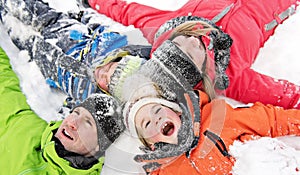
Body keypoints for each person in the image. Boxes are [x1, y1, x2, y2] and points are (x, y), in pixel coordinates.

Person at [87, 0, 300, 109]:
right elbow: (288, 97)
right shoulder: (230, 77)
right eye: (194, 51)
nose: (192, 39)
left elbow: (129, 12)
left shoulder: (165, 29)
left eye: (180, 41)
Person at [120, 71, 300, 175]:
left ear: (177, 112)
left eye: (158, 109)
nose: (156, 118)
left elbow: (271, 120)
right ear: (150, 144)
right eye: (147, 124)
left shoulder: (218, 119)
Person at [0, 46, 125, 175]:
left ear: (99, 145)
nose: (72, 122)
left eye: (87, 122)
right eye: (76, 113)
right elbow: (4, 87)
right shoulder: (25, 126)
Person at [0, 0, 150, 107]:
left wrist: (67, 106)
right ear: (120, 59)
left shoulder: (91, 95)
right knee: (28, 9)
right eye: (110, 69)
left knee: (17, 32)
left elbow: (78, 107)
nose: (101, 73)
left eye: (107, 82)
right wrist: (80, 16)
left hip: (48, 62)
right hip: (64, 32)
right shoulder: (112, 43)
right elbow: (96, 25)